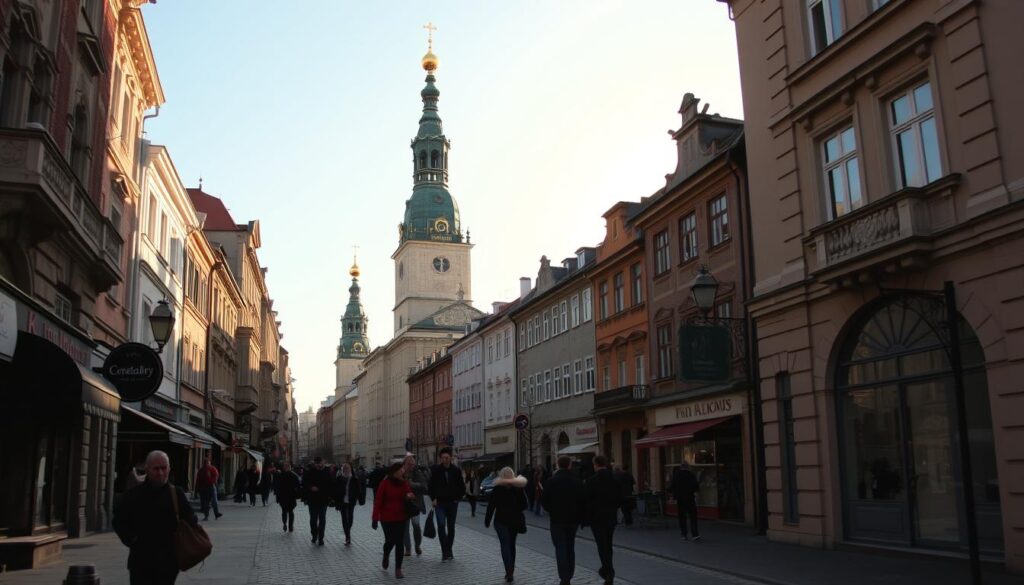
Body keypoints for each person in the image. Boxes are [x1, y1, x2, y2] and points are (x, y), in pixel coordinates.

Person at [113, 450, 199, 585]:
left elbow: (191, 518)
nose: (160, 473)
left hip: (168, 561)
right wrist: (132, 540)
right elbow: (118, 521)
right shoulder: (133, 495)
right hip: (141, 560)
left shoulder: (176, 494)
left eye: (164, 468)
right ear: (147, 469)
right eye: (156, 469)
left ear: (169, 468)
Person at [542, 456, 586, 585]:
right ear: (569, 465)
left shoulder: (551, 481)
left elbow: (544, 501)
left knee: (560, 547)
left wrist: (552, 510)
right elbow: (583, 501)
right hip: (573, 520)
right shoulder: (577, 482)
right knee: (570, 546)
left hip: (557, 519)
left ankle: (564, 577)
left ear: (557, 465)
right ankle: (569, 574)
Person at [372, 461, 415, 579]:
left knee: (399, 542)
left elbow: (410, 493)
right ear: (393, 472)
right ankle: (386, 554)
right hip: (387, 518)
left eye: (402, 470)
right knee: (390, 541)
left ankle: (398, 569)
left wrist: (410, 495)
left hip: (401, 517)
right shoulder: (385, 483)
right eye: (400, 470)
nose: (402, 471)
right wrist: (375, 518)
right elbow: (378, 502)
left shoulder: (404, 483)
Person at [484, 467, 528, 583]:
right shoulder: (518, 488)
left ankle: (508, 571)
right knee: (512, 545)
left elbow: (491, 506)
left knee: (505, 545)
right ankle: (511, 571)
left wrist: (487, 521)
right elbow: (525, 505)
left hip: (500, 521)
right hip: (514, 521)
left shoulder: (498, 488)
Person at [585, 455, 624, 585]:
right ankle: (608, 570)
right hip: (610, 516)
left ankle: (608, 571)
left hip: (597, 518)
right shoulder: (615, 479)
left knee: (602, 546)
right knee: (608, 544)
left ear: (595, 464)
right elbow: (620, 498)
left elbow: (587, 500)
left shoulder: (591, 480)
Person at [428, 447, 465, 561]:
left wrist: (458, 498)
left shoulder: (456, 470)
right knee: (441, 525)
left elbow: (461, 486)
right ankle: (445, 551)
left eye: (447, 457)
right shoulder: (436, 471)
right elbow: (431, 486)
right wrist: (433, 498)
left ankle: (449, 549)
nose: (445, 460)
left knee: (451, 527)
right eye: (443, 458)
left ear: (451, 458)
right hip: (440, 502)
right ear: (440, 459)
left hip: (453, 502)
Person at [402, 454, 428, 555]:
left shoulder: (417, 472)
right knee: (405, 527)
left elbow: (424, 486)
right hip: (403, 503)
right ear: (404, 464)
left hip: (415, 504)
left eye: (412, 464)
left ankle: (417, 545)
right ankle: (407, 548)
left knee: (416, 526)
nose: (410, 466)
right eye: (408, 464)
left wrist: (411, 484)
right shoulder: (401, 472)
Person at [304, 456, 332, 545]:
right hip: (312, 500)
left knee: (322, 519)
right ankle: (314, 535)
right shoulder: (310, 472)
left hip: (323, 500)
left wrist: (330, 497)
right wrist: (311, 487)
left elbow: (331, 484)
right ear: (314, 464)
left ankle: (321, 538)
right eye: (317, 463)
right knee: (313, 519)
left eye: (320, 463)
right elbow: (305, 483)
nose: (319, 465)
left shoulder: (327, 472)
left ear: (323, 463)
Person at [333, 462, 364, 545]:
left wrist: (358, 498)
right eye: (345, 468)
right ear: (343, 469)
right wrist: (335, 501)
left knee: (350, 518)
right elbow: (335, 490)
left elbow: (359, 490)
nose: (346, 470)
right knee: (344, 519)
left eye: (348, 468)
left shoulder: (354, 479)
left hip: (351, 501)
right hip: (342, 501)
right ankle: (347, 536)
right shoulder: (339, 478)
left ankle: (347, 531)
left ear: (351, 469)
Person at [668, 462, 700, 540]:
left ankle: (684, 534)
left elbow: (671, 487)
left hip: (680, 499)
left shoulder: (677, 476)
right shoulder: (691, 475)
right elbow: (696, 487)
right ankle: (695, 534)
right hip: (690, 498)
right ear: (688, 467)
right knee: (693, 516)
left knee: (682, 517)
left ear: (681, 467)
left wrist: (673, 494)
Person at [194, 455, 222, 521]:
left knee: (213, 501)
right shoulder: (201, 470)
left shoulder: (211, 468)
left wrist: (213, 481)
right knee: (207, 502)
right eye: (206, 463)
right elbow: (198, 480)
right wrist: (197, 490)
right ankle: (207, 515)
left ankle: (215, 513)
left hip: (210, 486)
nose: (206, 464)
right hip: (205, 488)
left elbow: (216, 475)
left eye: (207, 463)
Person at [275, 462, 301, 532]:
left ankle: (284, 523)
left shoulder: (280, 476)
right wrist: (297, 496)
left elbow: (277, 488)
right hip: (291, 497)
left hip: (283, 497)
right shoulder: (294, 475)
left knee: (284, 511)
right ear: (290, 468)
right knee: (291, 512)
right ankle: (290, 526)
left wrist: (277, 498)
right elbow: (298, 487)